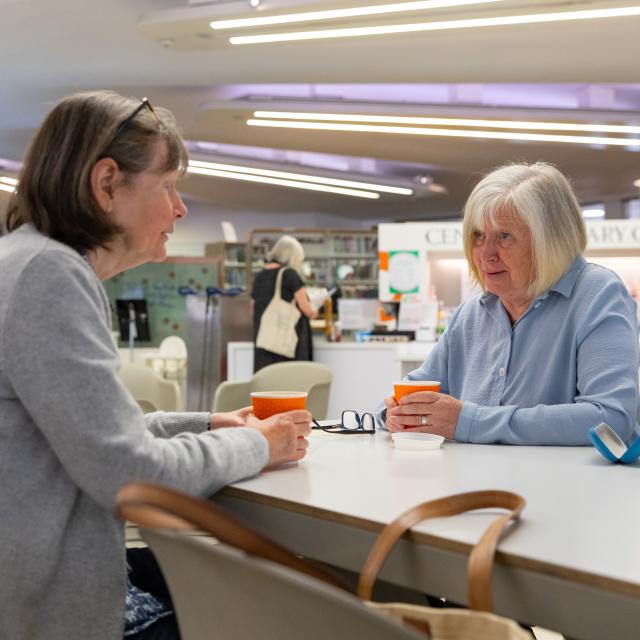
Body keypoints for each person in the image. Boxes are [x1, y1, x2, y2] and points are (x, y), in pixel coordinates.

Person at [0, 91, 311, 640]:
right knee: (298, 606)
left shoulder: (28, 262)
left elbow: (91, 437)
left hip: (41, 583)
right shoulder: (49, 276)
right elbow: (130, 472)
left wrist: (208, 423)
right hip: (52, 609)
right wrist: (261, 445)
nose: (181, 207)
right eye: (168, 185)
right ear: (106, 184)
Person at [380, 162, 639, 445]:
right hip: (473, 482)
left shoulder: (597, 294)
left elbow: (610, 421)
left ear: (549, 241)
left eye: (504, 236)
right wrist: (397, 413)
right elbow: (414, 392)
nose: (486, 254)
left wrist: (468, 422)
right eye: (478, 235)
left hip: (563, 487)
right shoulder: (472, 313)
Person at [251, 234, 319, 372]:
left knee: (268, 383)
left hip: (265, 341)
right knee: (290, 383)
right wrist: (315, 311)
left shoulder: (260, 276)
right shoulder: (289, 275)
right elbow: (305, 308)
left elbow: (252, 308)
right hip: (287, 343)